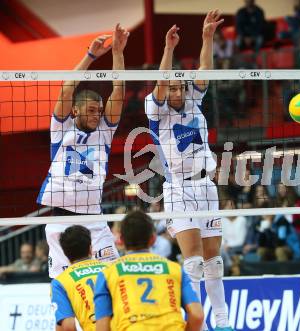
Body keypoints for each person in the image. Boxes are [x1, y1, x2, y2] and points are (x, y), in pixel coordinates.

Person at [144, 10, 233, 331]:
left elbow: (205, 69)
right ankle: (195, 322)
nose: (178, 91)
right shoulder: (156, 110)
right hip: (178, 188)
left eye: (181, 87)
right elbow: (161, 81)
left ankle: (222, 321)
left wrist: (207, 37)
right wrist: (168, 49)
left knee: (215, 262)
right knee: (193, 262)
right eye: (174, 88)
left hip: (206, 185)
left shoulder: (194, 99)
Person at [37, 24, 129, 278]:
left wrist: (117, 54)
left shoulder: (103, 132)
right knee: (64, 284)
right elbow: (67, 88)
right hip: (61, 221)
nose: (96, 115)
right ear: (75, 110)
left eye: (98, 111)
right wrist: (90, 56)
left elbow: (118, 92)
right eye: (90, 110)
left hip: (93, 219)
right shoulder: (61, 129)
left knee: (113, 278)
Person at [94, 211, 204, 331]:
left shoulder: (107, 273)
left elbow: (102, 327)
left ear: (121, 240)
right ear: (153, 239)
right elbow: (197, 315)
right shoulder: (175, 269)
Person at [50, 225, 108, 331]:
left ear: (65, 254)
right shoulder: (111, 269)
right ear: (90, 249)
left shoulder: (60, 282)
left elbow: (68, 327)